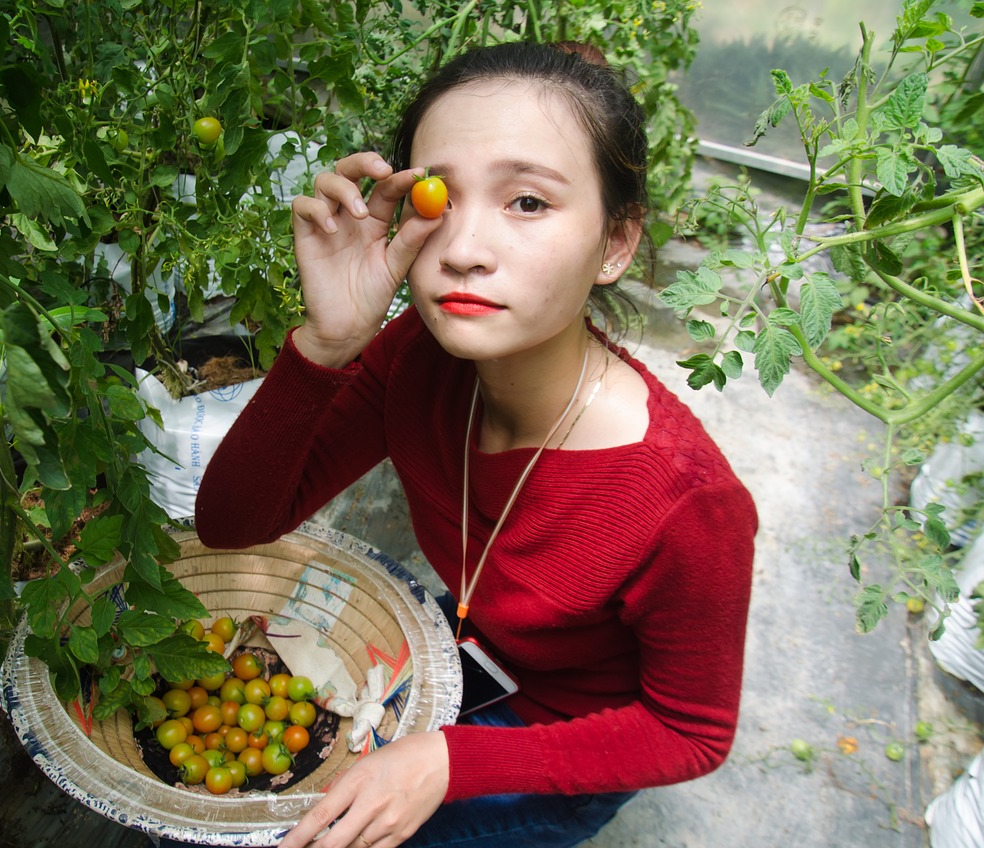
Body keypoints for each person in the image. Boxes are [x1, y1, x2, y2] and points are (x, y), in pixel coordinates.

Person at [194, 40, 757, 848]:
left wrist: (455, 763)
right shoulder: (413, 362)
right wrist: (323, 345)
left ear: (617, 243)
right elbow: (233, 524)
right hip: (463, 649)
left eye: (528, 202)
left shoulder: (688, 504)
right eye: (437, 196)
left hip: (566, 738)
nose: (462, 248)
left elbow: (691, 733)